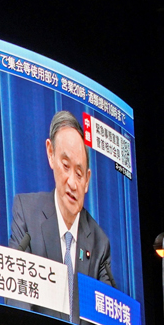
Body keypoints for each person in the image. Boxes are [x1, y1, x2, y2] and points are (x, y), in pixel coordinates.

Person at [9, 109, 115, 305]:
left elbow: (106, 323)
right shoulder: (26, 212)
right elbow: (18, 301)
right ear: (51, 154)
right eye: (66, 166)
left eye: (79, 173)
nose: (73, 183)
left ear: (87, 181)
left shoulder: (100, 243)